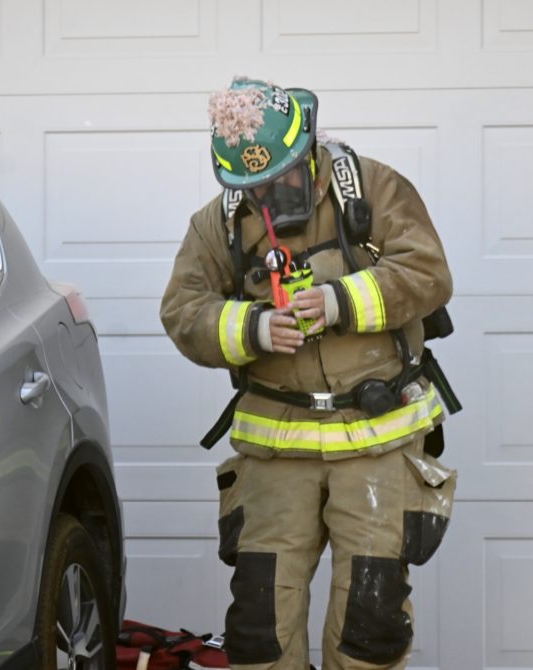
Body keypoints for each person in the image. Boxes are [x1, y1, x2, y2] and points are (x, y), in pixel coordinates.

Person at [160, 77, 458, 670]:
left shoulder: (371, 189)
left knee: (370, 621)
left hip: (377, 438)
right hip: (277, 444)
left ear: (310, 150)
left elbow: (428, 274)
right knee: (259, 625)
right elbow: (182, 310)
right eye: (253, 188)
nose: (268, 197)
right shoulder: (217, 224)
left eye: (282, 179)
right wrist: (253, 329)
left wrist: (341, 300)